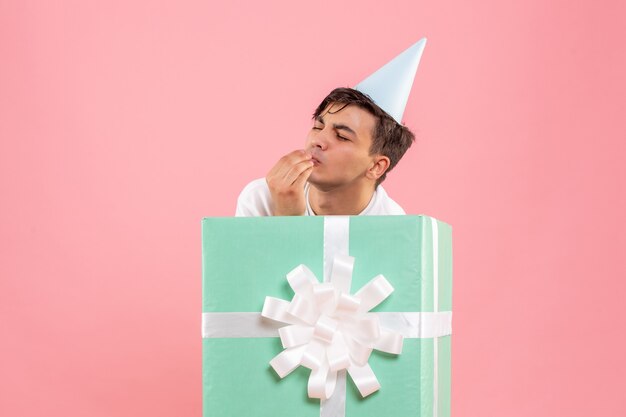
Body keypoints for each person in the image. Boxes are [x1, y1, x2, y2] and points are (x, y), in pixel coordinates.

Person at [235, 39, 427, 217]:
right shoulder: (261, 199)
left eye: (342, 136)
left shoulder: (393, 225)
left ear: (377, 166)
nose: (317, 141)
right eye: (318, 126)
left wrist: (291, 220)